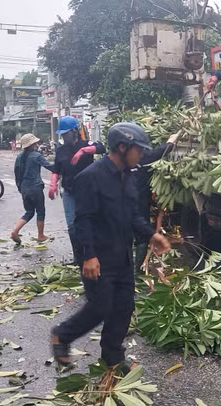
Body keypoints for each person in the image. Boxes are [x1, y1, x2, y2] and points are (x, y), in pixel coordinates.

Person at [51, 123, 171, 372]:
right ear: (122, 147)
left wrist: (152, 235)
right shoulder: (91, 177)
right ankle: (62, 335)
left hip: (122, 256)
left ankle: (112, 356)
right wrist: (89, 256)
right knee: (100, 307)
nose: (141, 155)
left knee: (124, 307)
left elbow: (133, 216)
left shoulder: (128, 176)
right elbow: (82, 220)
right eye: (138, 150)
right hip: (99, 257)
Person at [50, 116, 106, 266]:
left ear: (75, 132)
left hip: (87, 191)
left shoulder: (86, 144)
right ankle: (78, 257)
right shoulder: (61, 150)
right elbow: (56, 169)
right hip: (69, 191)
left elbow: (102, 148)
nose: (64, 137)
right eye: (62, 134)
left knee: (88, 222)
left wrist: (83, 151)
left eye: (66, 133)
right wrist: (53, 184)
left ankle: (93, 254)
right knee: (72, 225)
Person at [133, 128, 181, 274]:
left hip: (123, 204)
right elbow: (165, 149)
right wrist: (175, 137)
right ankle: (138, 272)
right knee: (141, 238)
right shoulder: (147, 156)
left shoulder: (122, 159)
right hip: (139, 204)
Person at [11, 134, 55, 244]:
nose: (37, 145)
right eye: (35, 143)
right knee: (40, 212)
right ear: (32, 144)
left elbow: (17, 173)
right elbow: (50, 167)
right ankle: (41, 235)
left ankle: (16, 231)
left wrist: (20, 187)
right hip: (35, 187)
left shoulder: (19, 157)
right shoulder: (36, 156)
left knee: (29, 211)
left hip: (24, 188)